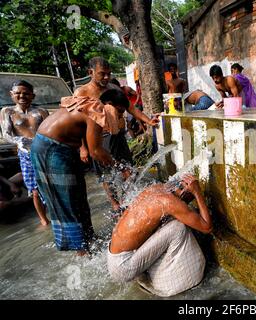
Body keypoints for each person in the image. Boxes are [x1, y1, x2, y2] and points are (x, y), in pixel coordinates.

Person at [31, 89, 129, 255]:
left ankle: (89, 238)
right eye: (119, 112)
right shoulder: (96, 111)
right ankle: (81, 250)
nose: (119, 117)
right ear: (109, 105)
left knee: (79, 196)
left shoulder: (92, 107)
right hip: (50, 149)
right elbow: (96, 152)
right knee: (66, 199)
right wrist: (119, 167)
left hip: (63, 148)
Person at [74, 57, 160, 212]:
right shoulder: (82, 92)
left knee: (128, 167)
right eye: (102, 74)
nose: (106, 77)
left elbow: (130, 108)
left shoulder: (113, 88)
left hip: (118, 135)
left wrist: (148, 120)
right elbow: (78, 123)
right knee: (105, 172)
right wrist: (82, 148)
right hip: (98, 139)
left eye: (108, 73)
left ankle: (129, 198)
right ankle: (115, 203)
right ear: (90, 72)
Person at [107, 174, 212, 297]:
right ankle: (167, 281)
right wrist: (197, 192)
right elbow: (207, 227)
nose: (189, 200)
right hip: (124, 266)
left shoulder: (157, 189)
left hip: (114, 257)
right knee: (177, 227)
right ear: (183, 192)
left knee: (173, 220)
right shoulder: (169, 202)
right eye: (189, 195)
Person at [0, 80, 49, 226]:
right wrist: (19, 140)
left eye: (26, 93)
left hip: (44, 153)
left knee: (51, 185)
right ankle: (44, 220)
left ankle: (55, 213)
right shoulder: (8, 112)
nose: (22, 96)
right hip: (26, 155)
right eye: (18, 93)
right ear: (12, 95)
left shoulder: (41, 111)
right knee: (34, 190)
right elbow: (6, 134)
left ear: (32, 96)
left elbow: (51, 132)